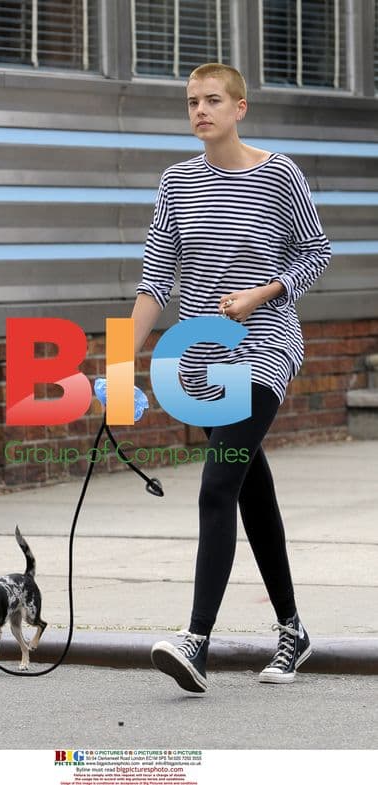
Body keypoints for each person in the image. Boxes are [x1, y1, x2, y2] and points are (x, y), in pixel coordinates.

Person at [130, 62, 332, 694]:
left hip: (266, 350)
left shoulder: (280, 175)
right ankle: (293, 631)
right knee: (250, 491)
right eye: (192, 102)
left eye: (213, 100)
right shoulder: (176, 182)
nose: (200, 111)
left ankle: (196, 640)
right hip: (206, 365)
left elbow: (317, 250)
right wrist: (113, 363)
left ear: (240, 107)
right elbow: (155, 282)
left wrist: (263, 293)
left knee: (217, 486)